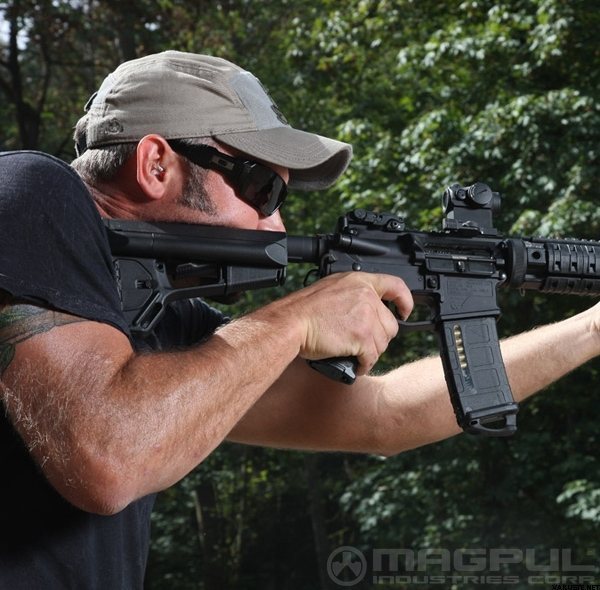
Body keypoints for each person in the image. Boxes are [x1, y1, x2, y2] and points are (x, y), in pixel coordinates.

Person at [0, 50, 597, 588]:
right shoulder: (30, 189)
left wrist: (591, 329)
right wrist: (293, 321)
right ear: (156, 164)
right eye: (263, 189)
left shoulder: (166, 327)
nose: (277, 225)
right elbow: (110, 458)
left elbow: (385, 415)